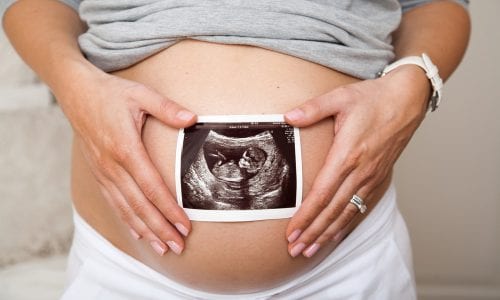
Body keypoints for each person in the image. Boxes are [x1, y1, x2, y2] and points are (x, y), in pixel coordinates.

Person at [2, 0, 470, 299]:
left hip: (347, 265)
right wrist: (71, 83)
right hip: (126, 267)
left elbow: (437, 4)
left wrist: (413, 84)